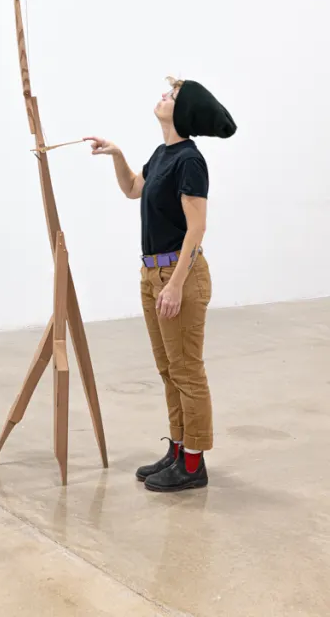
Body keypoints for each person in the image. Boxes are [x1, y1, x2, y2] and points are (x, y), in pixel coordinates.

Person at [86, 77, 236, 492]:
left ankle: (193, 463)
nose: (163, 96)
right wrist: (117, 155)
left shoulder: (190, 160)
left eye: (171, 96)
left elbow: (197, 227)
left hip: (178, 276)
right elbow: (134, 188)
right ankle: (178, 448)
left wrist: (175, 285)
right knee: (169, 370)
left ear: (183, 110)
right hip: (153, 273)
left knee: (187, 370)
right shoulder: (163, 154)